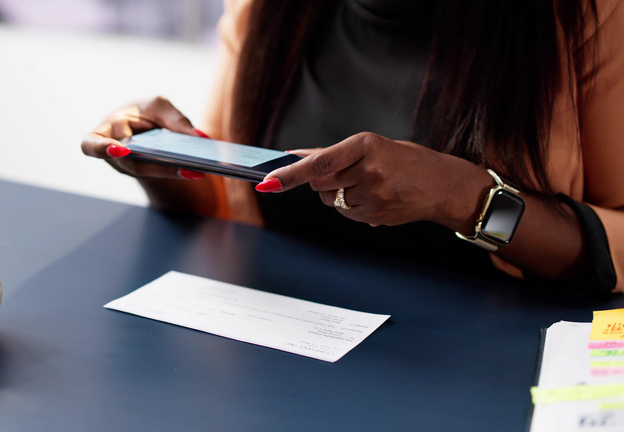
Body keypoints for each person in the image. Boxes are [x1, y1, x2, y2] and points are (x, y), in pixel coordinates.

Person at [82, 0, 624, 295]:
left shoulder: (589, 18)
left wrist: (463, 197)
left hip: (485, 370)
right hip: (280, 348)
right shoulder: (262, 11)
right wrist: (165, 163)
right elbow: (229, 211)